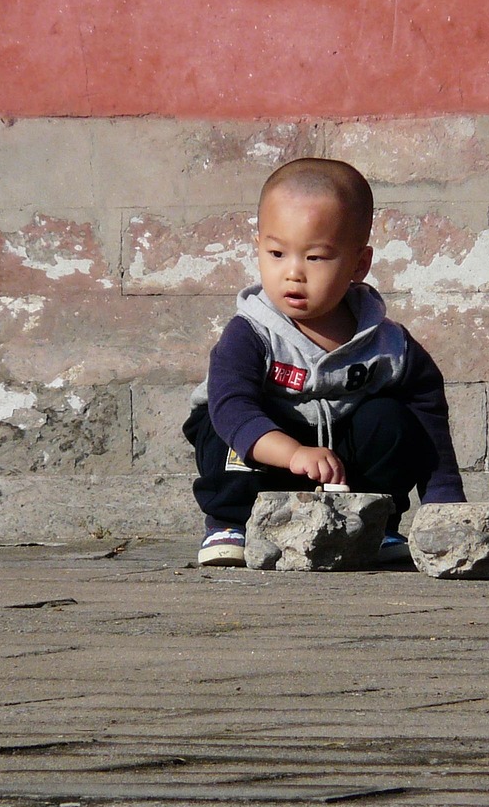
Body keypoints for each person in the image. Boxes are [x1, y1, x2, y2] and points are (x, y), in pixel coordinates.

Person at [183, 157, 466, 567]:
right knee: (219, 425)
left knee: (393, 419)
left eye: (315, 258)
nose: (293, 273)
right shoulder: (251, 333)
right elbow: (233, 407)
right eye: (277, 253)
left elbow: (429, 418)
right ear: (258, 247)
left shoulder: (387, 345)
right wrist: (293, 452)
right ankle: (231, 524)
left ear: (358, 264)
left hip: (338, 466)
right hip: (265, 451)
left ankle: (374, 521)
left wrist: (444, 497)